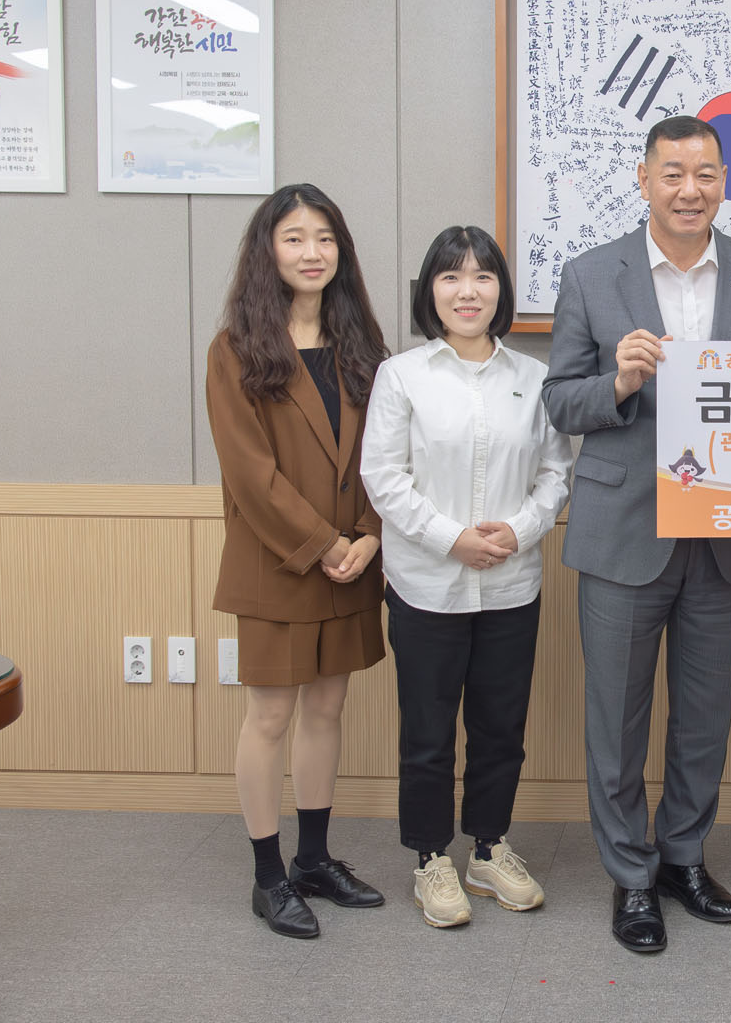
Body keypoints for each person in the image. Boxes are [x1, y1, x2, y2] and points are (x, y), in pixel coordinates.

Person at [542, 114, 731, 953]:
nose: (690, 190)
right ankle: (630, 876)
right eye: (673, 174)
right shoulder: (591, 274)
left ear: (726, 181)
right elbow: (559, 401)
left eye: (705, 174)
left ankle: (683, 858)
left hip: (725, 533)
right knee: (616, 719)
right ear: (645, 179)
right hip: (624, 530)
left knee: (704, 715)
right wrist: (617, 382)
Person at [360, 226, 571, 929]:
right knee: (427, 735)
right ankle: (430, 858)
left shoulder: (533, 378)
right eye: (450, 276)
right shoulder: (402, 376)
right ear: (430, 292)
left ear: (501, 291)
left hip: (512, 583)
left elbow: (556, 471)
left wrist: (522, 528)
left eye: (482, 276)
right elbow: (383, 476)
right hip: (427, 585)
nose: (467, 291)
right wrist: (452, 539)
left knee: (500, 729)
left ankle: (488, 847)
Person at [204, 183, 390, 939]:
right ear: (268, 251)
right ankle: (267, 874)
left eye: (325, 238)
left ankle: (314, 859)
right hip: (281, 565)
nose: (312, 252)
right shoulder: (235, 350)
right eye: (294, 238)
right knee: (271, 715)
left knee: (326, 709)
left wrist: (369, 534)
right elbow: (251, 476)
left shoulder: (363, 346)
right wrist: (325, 545)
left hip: (353, 560)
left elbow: (386, 455)